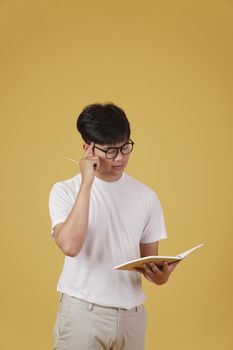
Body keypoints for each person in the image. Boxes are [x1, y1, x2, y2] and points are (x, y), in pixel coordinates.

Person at [48, 102, 179, 350]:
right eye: (110, 151)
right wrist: (87, 182)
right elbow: (69, 246)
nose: (120, 157)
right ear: (88, 148)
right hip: (83, 314)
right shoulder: (65, 190)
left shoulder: (146, 196)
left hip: (132, 315)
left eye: (125, 147)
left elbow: (150, 262)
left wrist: (161, 276)